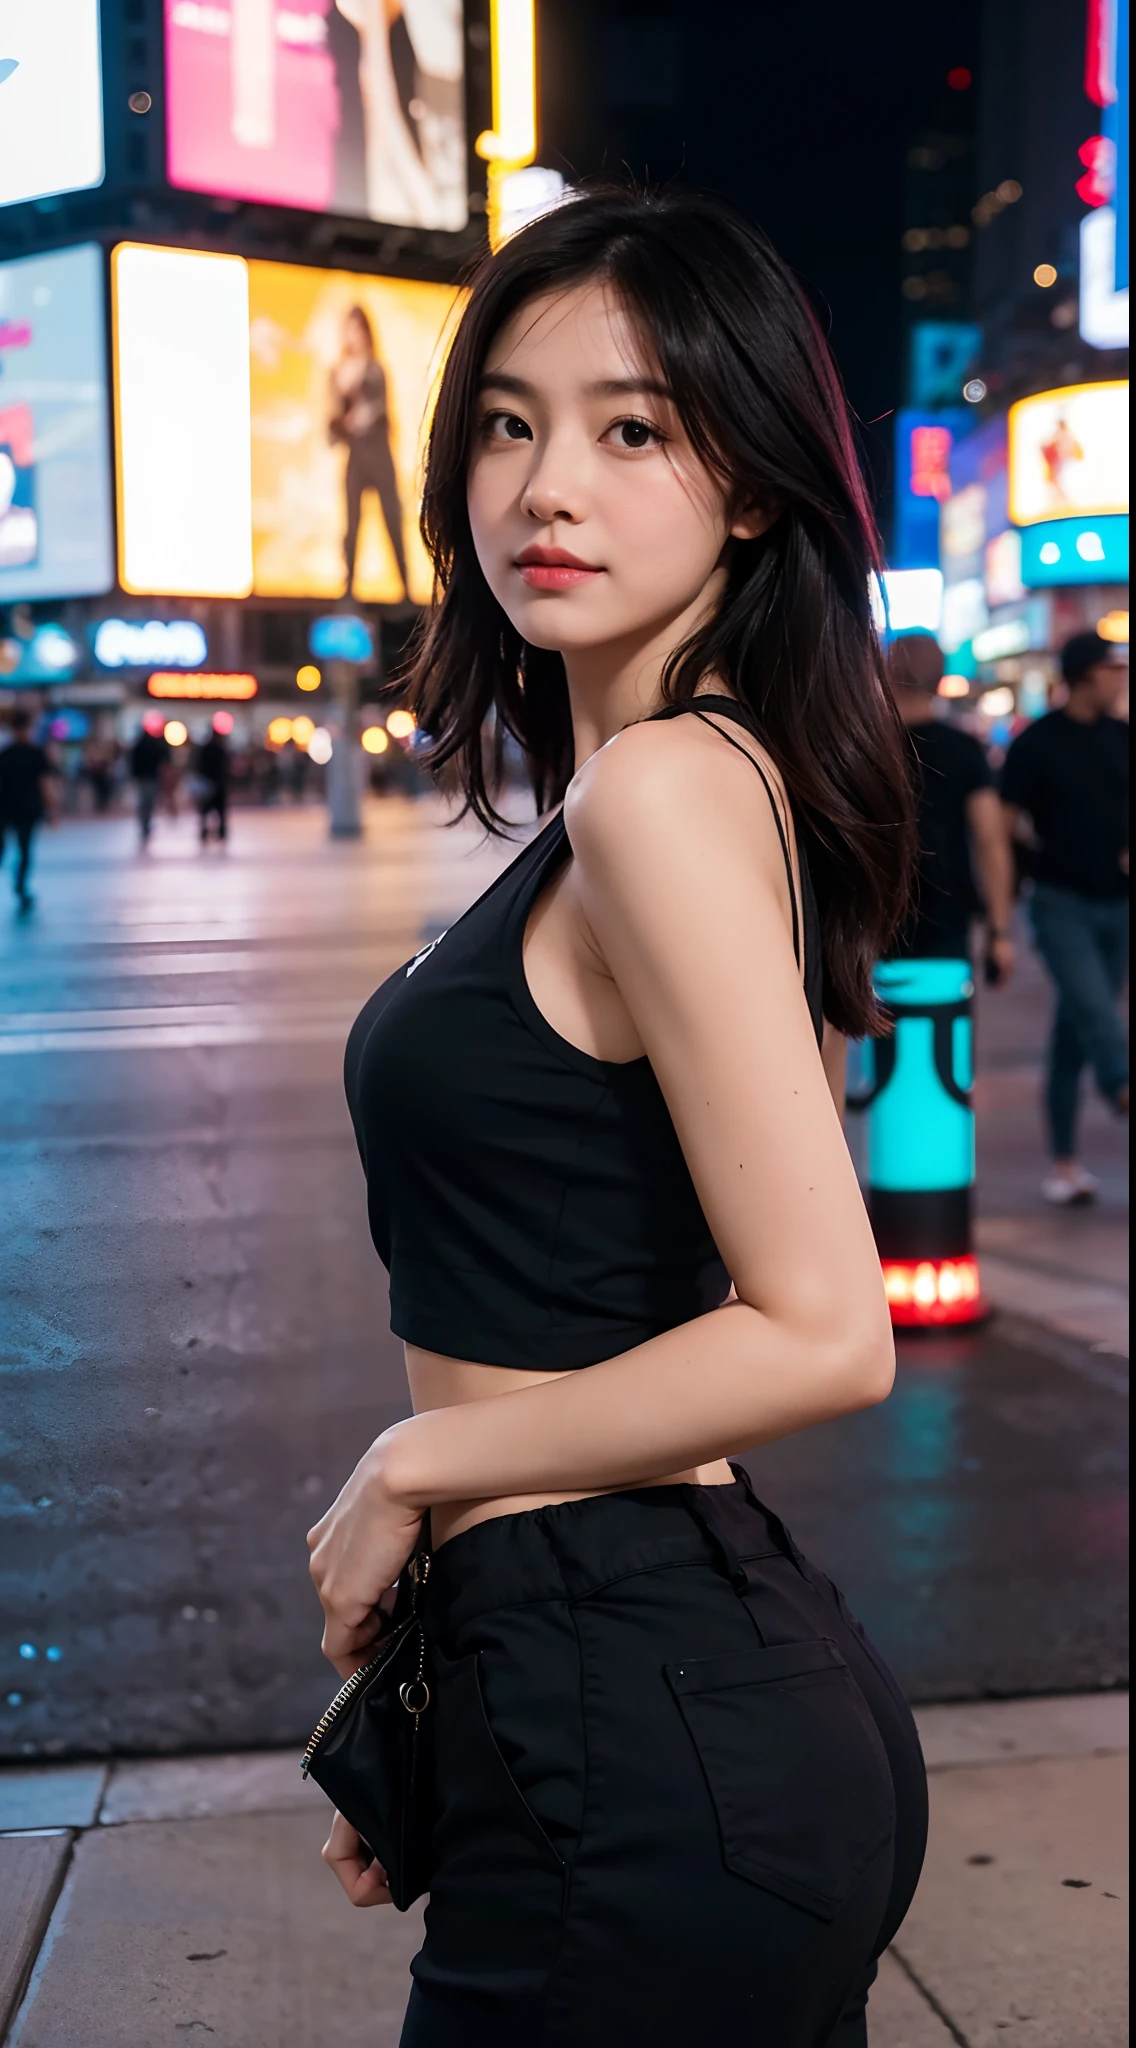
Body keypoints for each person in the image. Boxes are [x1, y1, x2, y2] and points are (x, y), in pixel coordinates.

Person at [309, 186, 927, 2048]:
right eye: (508, 420)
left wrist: (411, 1471)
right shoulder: (712, 773)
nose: (542, 485)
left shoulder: (663, 788)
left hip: (639, 1726)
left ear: (749, 481)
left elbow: (826, 1327)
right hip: (649, 1682)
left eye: (630, 425)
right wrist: (457, 1674)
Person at [1002, 629, 1129, 1205]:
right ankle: (1122, 1086)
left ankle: (1065, 1164)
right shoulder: (1037, 745)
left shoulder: (1123, 737)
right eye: (1112, 668)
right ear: (1084, 675)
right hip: (1059, 905)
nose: (1121, 678)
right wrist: (1010, 896)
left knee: (1072, 1031)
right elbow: (1003, 825)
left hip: (1119, 903)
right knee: (1096, 1013)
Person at [885, 631, 1016, 976]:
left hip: (866, 925)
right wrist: (999, 931)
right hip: (945, 917)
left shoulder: (861, 747)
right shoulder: (964, 749)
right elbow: (990, 839)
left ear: (884, 671)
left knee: (868, 1025)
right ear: (940, 679)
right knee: (943, 1023)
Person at [328, 304, 410, 601]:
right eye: (351, 329)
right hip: (356, 454)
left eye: (359, 329)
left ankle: (406, 590)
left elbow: (385, 412)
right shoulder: (338, 372)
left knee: (393, 519)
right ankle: (348, 590)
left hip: (379, 452)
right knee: (352, 525)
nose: (355, 335)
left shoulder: (376, 369)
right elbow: (332, 424)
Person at [0, 707, 55, 910]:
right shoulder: (35, 753)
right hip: (27, 808)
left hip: (7, 808)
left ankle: (20, 884)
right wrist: (53, 809)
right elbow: (45, 784)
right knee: (24, 850)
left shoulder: (5, 754)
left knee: (13, 849)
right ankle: (21, 886)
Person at [129, 722, 171, 846]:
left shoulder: (138, 745)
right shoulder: (153, 745)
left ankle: (145, 827)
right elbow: (162, 761)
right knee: (148, 804)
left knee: (144, 805)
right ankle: (146, 827)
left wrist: (134, 776)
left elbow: (133, 763)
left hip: (143, 778)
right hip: (152, 778)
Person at [190, 726, 230, 843]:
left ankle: (206, 831)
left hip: (208, 783)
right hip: (217, 783)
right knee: (219, 811)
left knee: (205, 810)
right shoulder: (220, 748)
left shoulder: (205, 749)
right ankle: (220, 832)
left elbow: (197, 765)